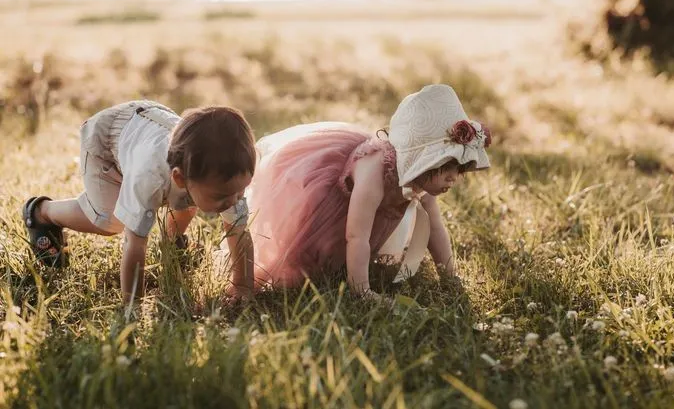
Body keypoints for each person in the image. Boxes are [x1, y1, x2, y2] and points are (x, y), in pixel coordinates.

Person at [246, 84, 491, 297]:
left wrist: (449, 276)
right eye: (446, 168)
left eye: (459, 170)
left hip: (363, 215)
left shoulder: (420, 177)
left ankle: (349, 268)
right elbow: (357, 236)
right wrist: (362, 291)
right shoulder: (374, 173)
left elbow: (434, 228)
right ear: (421, 161)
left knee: (348, 258)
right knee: (306, 266)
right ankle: (342, 275)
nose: (453, 178)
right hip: (327, 202)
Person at [22, 100, 256, 304]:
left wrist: (242, 287)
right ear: (179, 178)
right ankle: (43, 212)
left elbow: (239, 232)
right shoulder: (149, 177)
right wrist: (132, 306)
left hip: (146, 124)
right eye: (222, 197)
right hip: (106, 141)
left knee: (188, 202)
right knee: (110, 221)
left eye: (240, 190)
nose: (234, 200)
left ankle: (172, 245)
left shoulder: (225, 179)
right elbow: (135, 244)